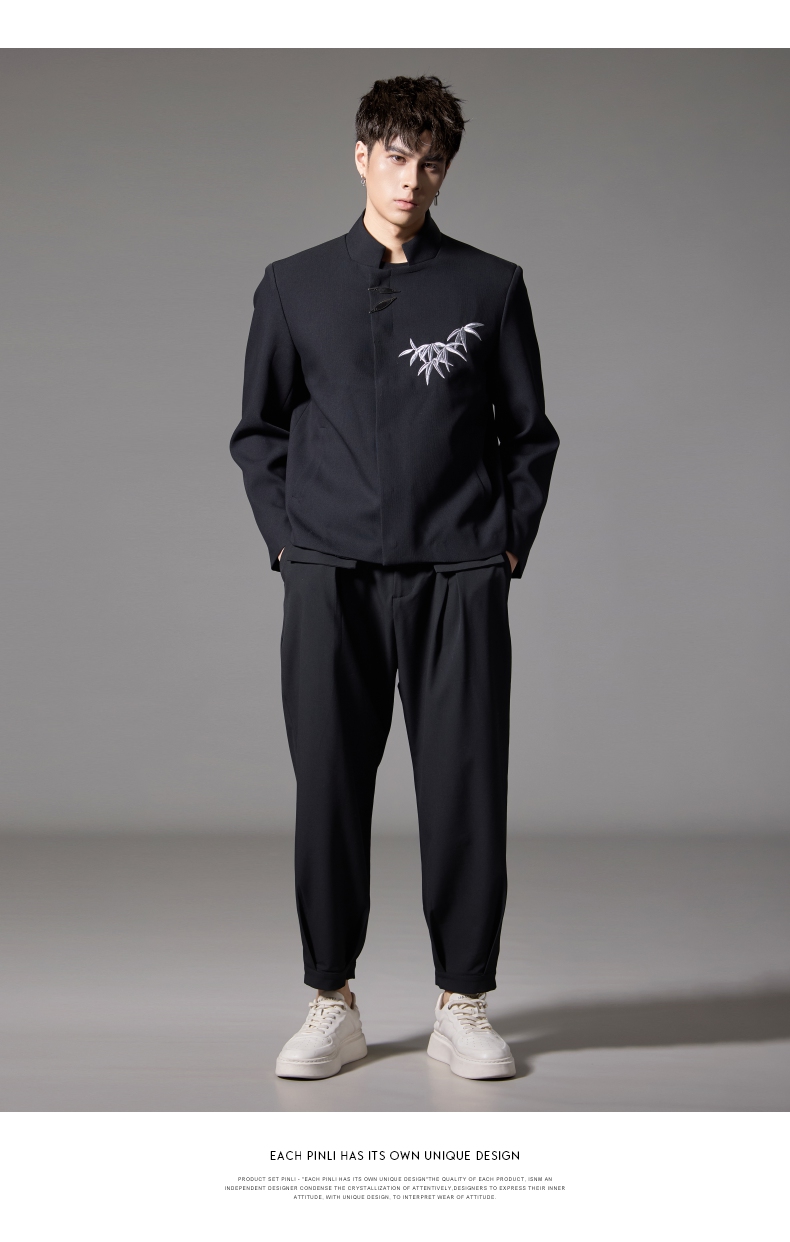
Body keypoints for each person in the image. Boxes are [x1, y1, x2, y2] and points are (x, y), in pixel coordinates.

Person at [230, 75, 559, 1081]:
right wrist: (288, 545)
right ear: (361, 156)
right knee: (329, 788)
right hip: (329, 575)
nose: (412, 178)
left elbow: (529, 436)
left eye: (431, 162)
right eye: (397, 156)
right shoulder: (293, 285)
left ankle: (464, 1002)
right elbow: (259, 432)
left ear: (446, 170)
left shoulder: (490, 286)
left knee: (465, 788)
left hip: (458, 572)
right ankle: (330, 1000)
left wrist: (505, 545)